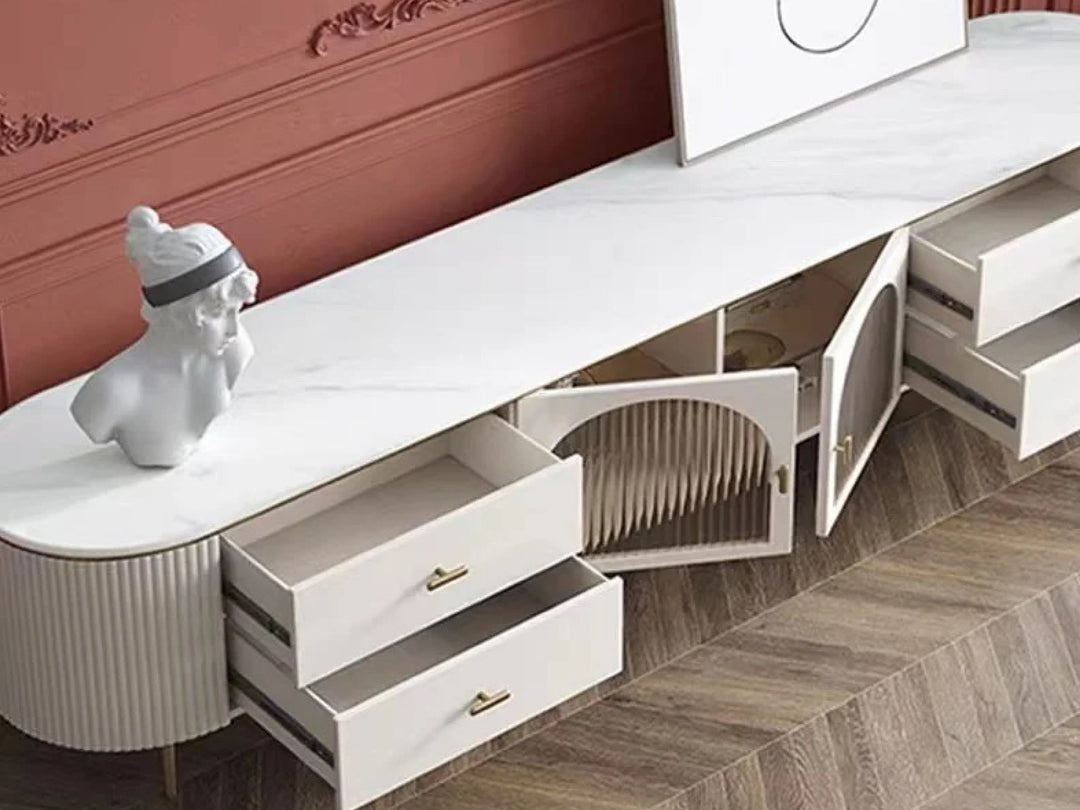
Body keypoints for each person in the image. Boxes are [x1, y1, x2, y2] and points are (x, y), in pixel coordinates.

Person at [70, 206, 259, 467]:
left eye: (235, 311)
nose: (234, 330)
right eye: (218, 313)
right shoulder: (111, 392)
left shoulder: (234, 350)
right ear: (174, 315)